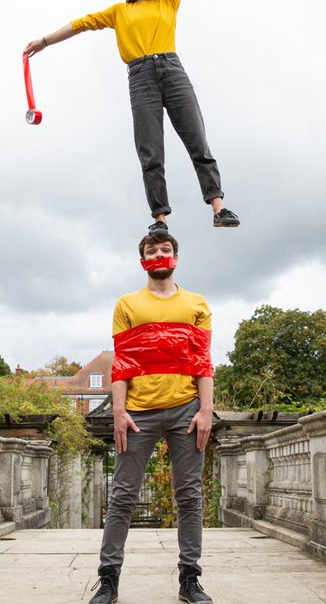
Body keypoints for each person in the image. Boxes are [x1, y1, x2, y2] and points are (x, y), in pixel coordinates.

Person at [23, 0, 240, 238]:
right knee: (150, 151)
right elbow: (81, 24)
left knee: (197, 139)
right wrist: (45, 41)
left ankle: (218, 207)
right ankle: (160, 219)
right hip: (140, 78)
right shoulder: (119, 12)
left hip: (172, 70)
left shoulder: (169, 0)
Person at [88, 232, 215, 604]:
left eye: (165, 249)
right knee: (123, 496)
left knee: (189, 496)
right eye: (151, 250)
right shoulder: (127, 304)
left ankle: (190, 579)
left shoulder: (196, 304)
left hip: (186, 412)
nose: (159, 254)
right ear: (142, 258)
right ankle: (108, 579)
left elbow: (203, 363)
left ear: (176, 256)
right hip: (138, 415)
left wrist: (206, 411)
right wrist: (118, 411)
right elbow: (123, 362)